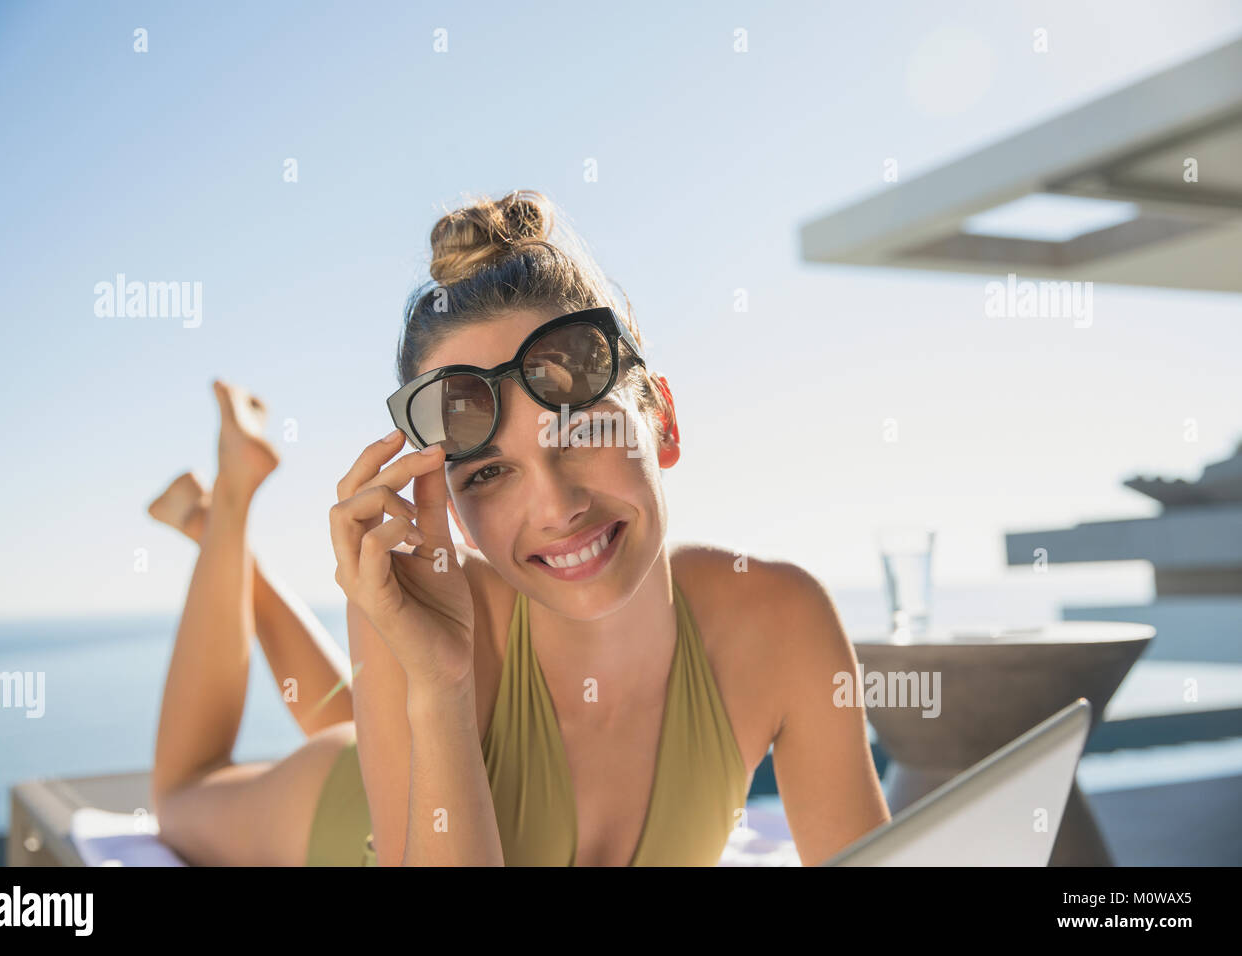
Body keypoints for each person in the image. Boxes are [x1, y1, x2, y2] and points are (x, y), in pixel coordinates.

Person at [149, 189, 890, 866]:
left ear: (661, 420)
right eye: (490, 473)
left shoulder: (783, 623)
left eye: (580, 435)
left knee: (361, 710)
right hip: (347, 824)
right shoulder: (425, 612)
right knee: (182, 795)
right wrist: (439, 689)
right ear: (458, 516)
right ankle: (233, 504)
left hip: (419, 747)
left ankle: (216, 522)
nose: (556, 507)